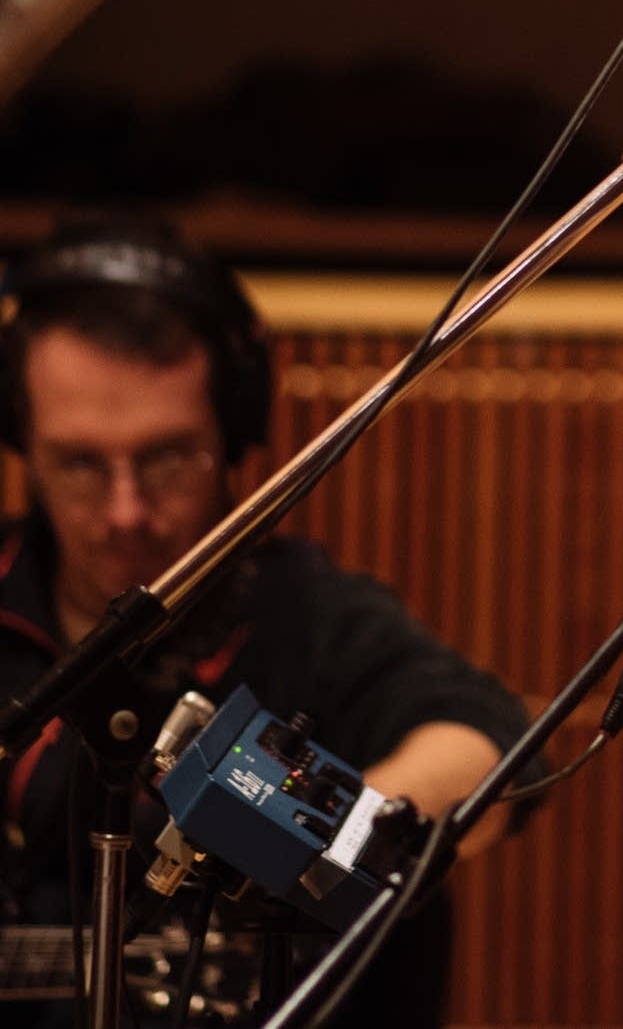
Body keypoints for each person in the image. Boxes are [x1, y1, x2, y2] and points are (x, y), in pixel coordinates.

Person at [0, 212, 533, 1026]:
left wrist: (305, 847)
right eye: (78, 465)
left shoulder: (304, 610)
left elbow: (487, 750)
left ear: (237, 429)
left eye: (168, 458)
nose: (126, 512)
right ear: (21, 444)